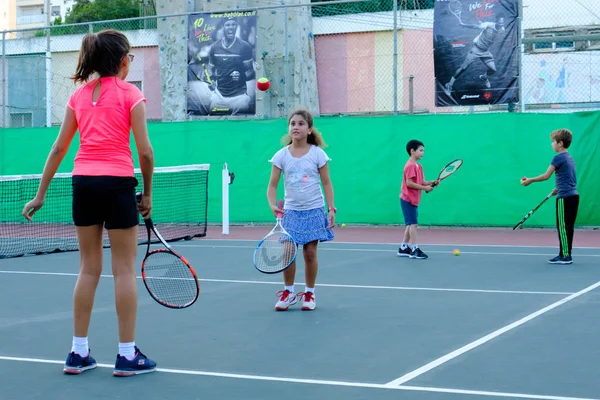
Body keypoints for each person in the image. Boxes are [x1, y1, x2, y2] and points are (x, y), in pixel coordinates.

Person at [21, 29, 157, 377]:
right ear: (122, 60)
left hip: (83, 183)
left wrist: (41, 194)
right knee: (124, 270)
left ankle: (78, 352)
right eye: (131, 57)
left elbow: (58, 148)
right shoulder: (131, 93)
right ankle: (126, 356)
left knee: (88, 269)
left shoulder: (78, 96)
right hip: (116, 183)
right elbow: (144, 151)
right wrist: (148, 194)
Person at [266, 109, 335, 311]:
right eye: (293, 123)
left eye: (301, 123)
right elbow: (272, 185)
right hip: (291, 212)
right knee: (288, 252)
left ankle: (309, 293)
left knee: (310, 253)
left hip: (313, 210)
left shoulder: (317, 154)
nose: (296, 127)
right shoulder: (281, 155)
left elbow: (327, 183)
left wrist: (331, 209)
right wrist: (272, 204)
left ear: (309, 129)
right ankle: (288, 292)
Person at [521, 128, 579, 264]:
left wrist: (530, 180)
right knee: (567, 227)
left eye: (553, 141)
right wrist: (558, 188)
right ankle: (564, 253)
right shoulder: (569, 157)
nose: (551, 144)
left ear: (560, 143)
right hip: (573, 196)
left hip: (565, 198)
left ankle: (565, 256)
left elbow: (546, 176)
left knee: (563, 227)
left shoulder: (558, 157)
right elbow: (569, 177)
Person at [443, 12, 506, 96]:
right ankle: (449, 85)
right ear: (496, 21)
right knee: (463, 68)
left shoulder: (502, 30)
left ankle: (484, 77)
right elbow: (475, 26)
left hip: (485, 51)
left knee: (493, 69)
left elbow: (495, 37)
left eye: (502, 23)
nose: (501, 24)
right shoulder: (488, 25)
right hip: (476, 49)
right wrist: (464, 25)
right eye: (499, 22)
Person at [397, 140, 438, 260]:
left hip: (414, 200)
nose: (423, 153)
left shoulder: (419, 166)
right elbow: (409, 183)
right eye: (421, 150)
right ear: (412, 151)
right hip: (407, 199)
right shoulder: (410, 165)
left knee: (410, 225)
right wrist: (425, 188)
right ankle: (414, 249)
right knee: (413, 225)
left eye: (423, 150)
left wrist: (431, 183)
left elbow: (421, 182)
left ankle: (404, 248)